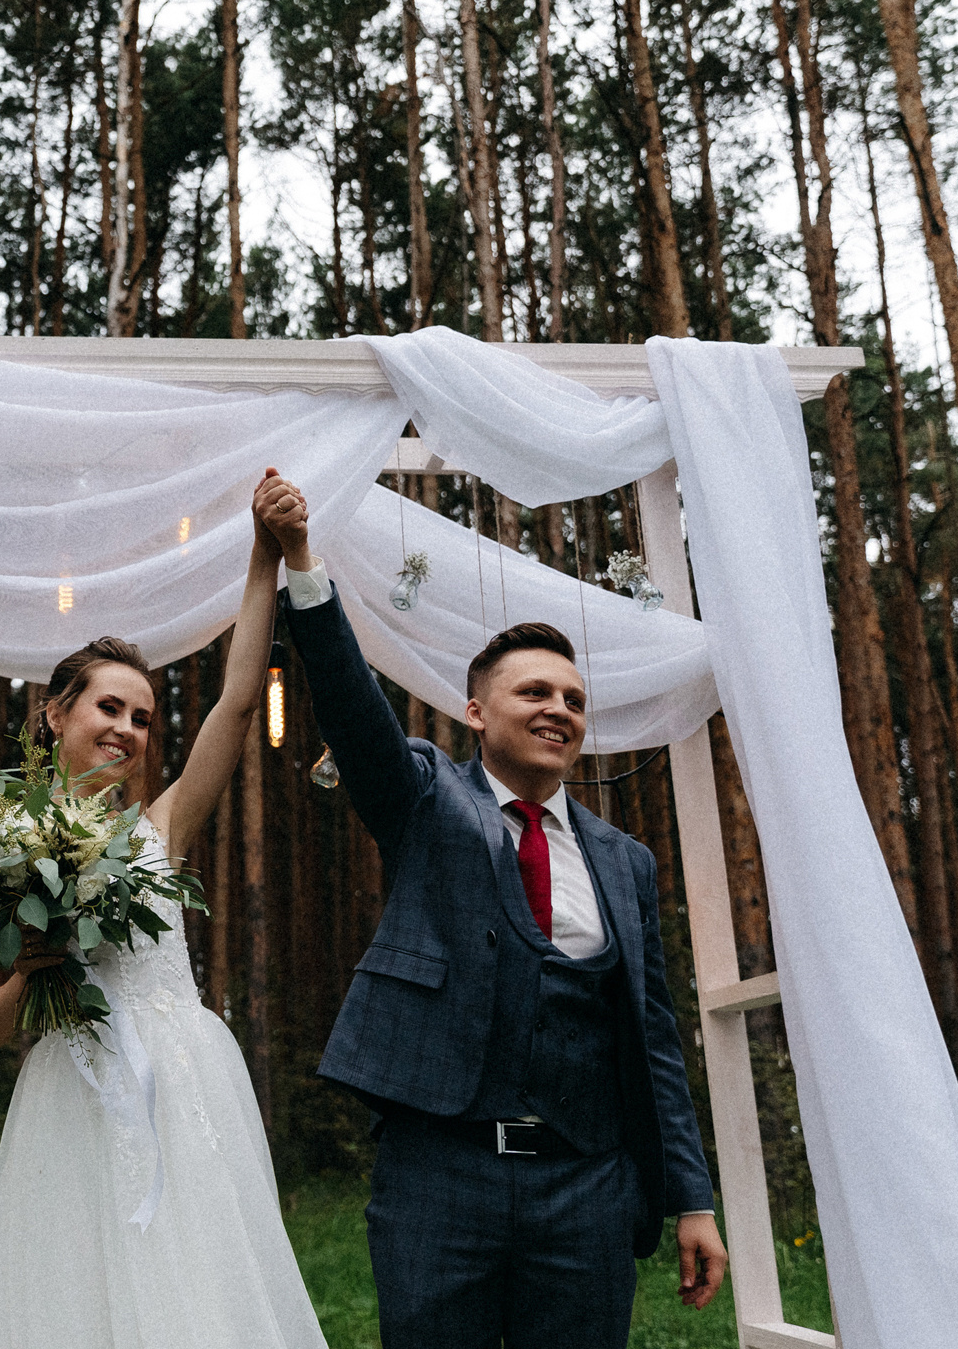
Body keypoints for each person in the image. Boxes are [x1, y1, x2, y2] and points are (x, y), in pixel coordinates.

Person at [254, 471, 727, 1349]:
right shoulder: (427, 800)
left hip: (588, 1188)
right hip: (441, 1176)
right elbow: (355, 713)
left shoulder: (625, 862)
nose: (559, 710)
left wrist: (689, 1196)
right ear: (476, 712)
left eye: (573, 700)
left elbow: (653, 1038)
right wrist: (303, 565)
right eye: (535, 693)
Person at [0, 474, 324, 1349]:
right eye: (108, 707)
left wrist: (262, 557)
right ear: (56, 715)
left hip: (182, 1081)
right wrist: (37, 972)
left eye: (144, 717)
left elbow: (238, 701)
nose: (127, 728)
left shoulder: (162, 828)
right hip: (70, 1098)